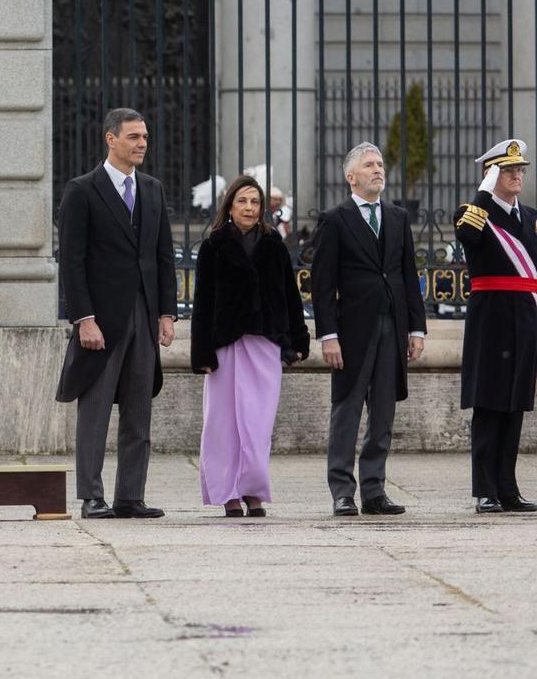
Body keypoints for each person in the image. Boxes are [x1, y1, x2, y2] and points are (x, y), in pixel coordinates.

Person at [55, 108, 177, 519]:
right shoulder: (81, 190)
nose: (142, 143)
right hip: (101, 320)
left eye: (144, 136)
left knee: (139, 408)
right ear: (111, 139)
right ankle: (92, 496)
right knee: (95, 411)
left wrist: (166, 313)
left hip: (143, 316)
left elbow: (162, 256)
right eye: (133, 137)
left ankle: (130, 496)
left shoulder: (153, 189)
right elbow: (72, 262)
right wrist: (83, 318)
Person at [311, 142, 426, 517]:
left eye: (380, 164)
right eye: (369, 165)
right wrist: (328, 335)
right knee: (346, 412)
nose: (378, 170)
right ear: (351, 176)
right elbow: (323, 285)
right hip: (352, 331)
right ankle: (342, 490)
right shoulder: (335, 219)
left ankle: (375, 490)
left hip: (393, 326)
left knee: (383, 414)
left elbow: (409, 275)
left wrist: (417, 329)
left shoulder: (396, 217)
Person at [190, 175, 310, 518]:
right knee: (222, 424)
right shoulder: (214, 246)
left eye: (255, 202)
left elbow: (290, 296)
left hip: (264, 344)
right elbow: (203, 303)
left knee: (258, 424)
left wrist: (298, 340)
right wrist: (202, 353)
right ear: (229, 206)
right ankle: (228, 493)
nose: (249, 207)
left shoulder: (274, 246)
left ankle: (253, 491)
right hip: (225, 343)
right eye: (242, 201)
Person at [454, 139, 537, 514]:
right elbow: (468, 238)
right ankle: (484, 489)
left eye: (519, 169)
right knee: (489, 404)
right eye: (507, 170)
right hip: (491, 318)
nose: (517, 175)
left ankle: (508, 488)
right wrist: (483, 194)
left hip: (525, 315)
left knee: (515, 404)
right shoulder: (472, 212)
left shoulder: (532, 217)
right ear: (490, 175)